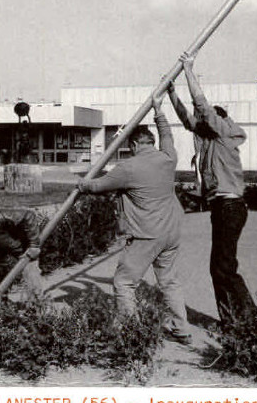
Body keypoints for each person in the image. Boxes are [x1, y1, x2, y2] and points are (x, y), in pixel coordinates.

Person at [76, 91, 191, 345]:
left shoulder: (129, 168)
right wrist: (159, 111)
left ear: (135, 145)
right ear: (150, 142)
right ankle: (182, 329)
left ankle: (131, 333)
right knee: (169, 282)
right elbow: (168, 136)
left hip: (146, 234)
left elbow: (97, 186)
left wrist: (81, 185)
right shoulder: (168, 158)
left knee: (124, 283)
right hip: (171, 232)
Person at [168, 51, 254, 327]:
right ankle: (231, 321)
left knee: (224, 268)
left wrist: (189, 71)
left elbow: (202, 107)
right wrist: (171, 93)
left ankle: (250, 322)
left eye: (207, 121)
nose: (201, 124)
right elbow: (189, 120)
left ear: (219, 121)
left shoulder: (225, 135)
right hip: (222, 208)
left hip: (230, 207)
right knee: (219, 268)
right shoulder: (210, 139)